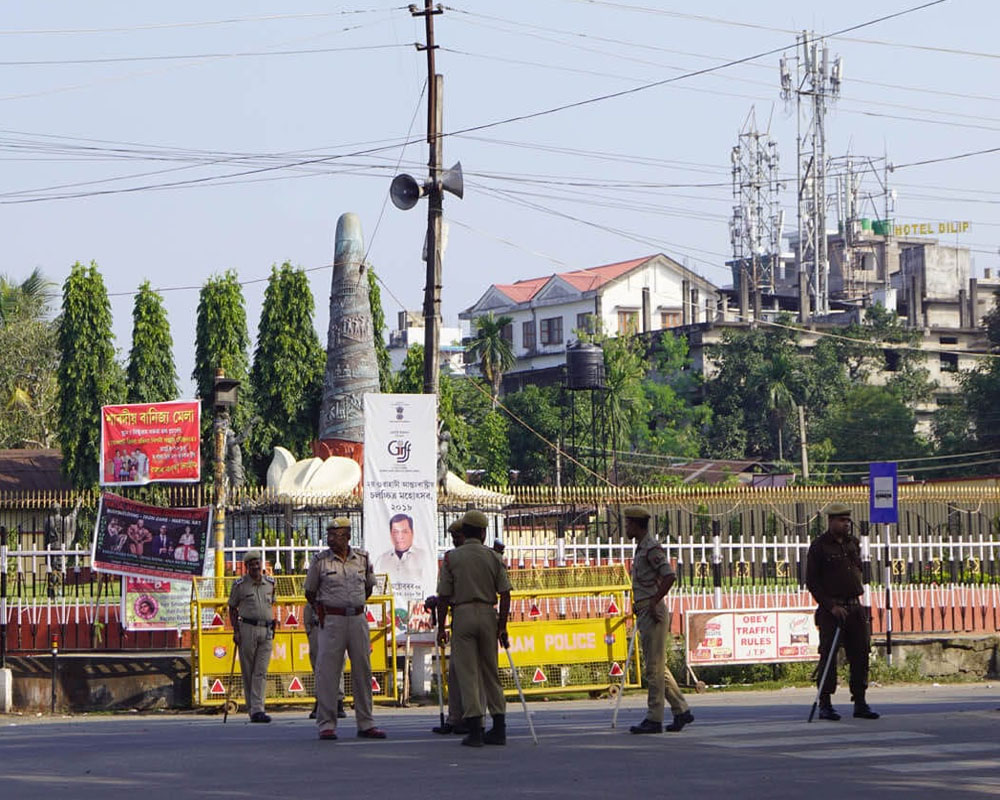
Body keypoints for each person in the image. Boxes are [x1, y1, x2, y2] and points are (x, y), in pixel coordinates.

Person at [304, 517, 386, 741]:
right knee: (327, 672)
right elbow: (310, 592)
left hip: (357, 618)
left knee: (363, 670)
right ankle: (327, 724)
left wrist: (355, 603)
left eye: (336, 535)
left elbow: (368, 587)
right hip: (332, 620)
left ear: (348, 536)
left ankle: (366, 722)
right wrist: (324, 609)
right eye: (329, 534)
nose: (331, 539)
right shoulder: (321, 561)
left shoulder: (362, 558)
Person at [436, 509, 511, 748]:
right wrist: (502, 625)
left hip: (463, 613)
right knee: (491, 671)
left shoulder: (452, 558)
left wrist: (441, 627)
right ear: (482, 532)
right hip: (489, 613)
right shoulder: (493, 557)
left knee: (468, 673)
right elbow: (505, 593)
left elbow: (444, 596)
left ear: (464, 531)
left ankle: (475, 728)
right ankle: (499, 727)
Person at [806, 502, 879, 721]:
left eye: (847, 520)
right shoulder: (819, 547)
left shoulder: (852, 544)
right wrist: (831, 605)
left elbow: (860, 571)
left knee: (860, 655)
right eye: (841, 520)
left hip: (854, 606)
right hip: (832, 610)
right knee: (829, 656)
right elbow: (812, 582)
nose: (845, 524)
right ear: (830, 521)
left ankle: (860, 701)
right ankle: (825, 703)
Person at [624, 505, 694, 735]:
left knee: (653, 669)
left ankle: (654, 718)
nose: (626, 527)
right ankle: (681, 710)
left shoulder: (651, 548)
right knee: (657, 666)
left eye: (628, 523)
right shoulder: (641, 548)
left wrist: (654, 601)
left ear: (637, 524)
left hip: (653, 612)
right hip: (646, 611)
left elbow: (669, 575)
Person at [228, 550, 276, 723]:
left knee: (261, 671)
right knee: (249, 670)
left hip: (267, 630)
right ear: (247, 567)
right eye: (252, 564)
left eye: (258, 563)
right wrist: (235, 631)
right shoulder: (240, 585)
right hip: (247, 629)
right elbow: (232, 608)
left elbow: (272, 603)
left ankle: (258, 708)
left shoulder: (270, 583)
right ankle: (253, 709)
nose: (256, 567)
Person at [303, 599, 346, 721]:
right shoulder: (318, 584)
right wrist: (310, 632)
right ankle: (320, 702)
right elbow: (309, 600)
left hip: (336, 625)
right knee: (319, 667)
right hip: (319, 625)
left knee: (338, 665)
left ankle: (338, 702)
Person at [373, 513, 434, 599]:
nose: (400, 536)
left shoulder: (424, 557)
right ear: (390, 535)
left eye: (404, 532)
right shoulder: (381, 560)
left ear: (412, 533)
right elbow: (376, 591)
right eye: (395, 532)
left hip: (416, 609)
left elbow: (429, 587)